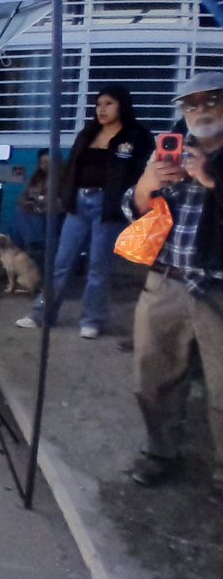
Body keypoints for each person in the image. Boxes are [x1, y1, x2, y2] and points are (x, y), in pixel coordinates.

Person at [123, 72, 223, 495]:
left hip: (217, 288)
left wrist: (210, 178)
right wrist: (148, 183)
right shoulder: (171, 151)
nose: (200, 111)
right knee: (154, 376)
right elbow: (136, 213)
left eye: (211, 101)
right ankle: (160, 451)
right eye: (190, 104)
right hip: (164, 282)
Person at [17, 85, 154, 338]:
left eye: (109, 104)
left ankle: (92, 319)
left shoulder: (137, 135)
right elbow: (72, 167)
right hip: (79, 202)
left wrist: (129, 201)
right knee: (61, 262)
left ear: (122, 104)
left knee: (98, 265)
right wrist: (66, 196)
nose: (102, 109)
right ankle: (42, 314)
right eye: (98, 104)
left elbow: (142, 173)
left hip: (109, 206)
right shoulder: (88, 132)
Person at [10, 150, 61, 263]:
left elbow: (65, 202)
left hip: (52, 216)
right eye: (43, 163)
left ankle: (35, 246)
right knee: (20, 212)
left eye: (49, 162)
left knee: (26, 219)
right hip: (33, 213)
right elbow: (21, 197)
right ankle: (33, 244)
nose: (45, 166)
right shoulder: (35, 179)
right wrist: (27, 203)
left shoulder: (63, 179)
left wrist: (44, 208)